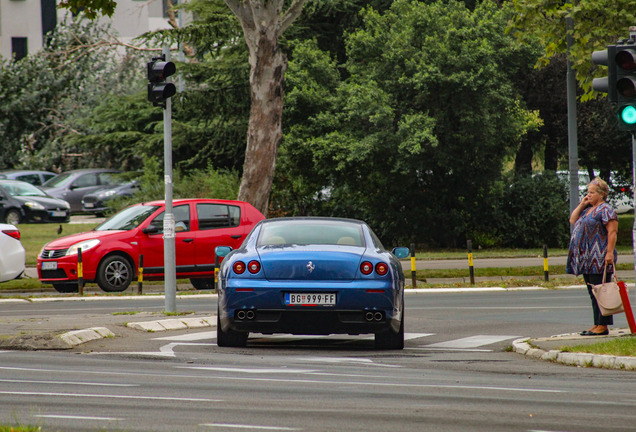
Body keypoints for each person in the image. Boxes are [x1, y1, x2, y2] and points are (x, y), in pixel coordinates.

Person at [566, 177, 618, 336]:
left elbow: (612, 232)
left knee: (601, 291)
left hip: (600, 257)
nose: (588, 195)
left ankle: (603, 326)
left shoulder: (606, 210)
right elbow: (572, 219)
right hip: (587, 259)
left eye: (591, 192)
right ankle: (597, 324)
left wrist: (609, 253)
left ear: (601, 194)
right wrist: (582, 203)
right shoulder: (587, 209)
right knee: (593, 292)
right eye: (587, 192)